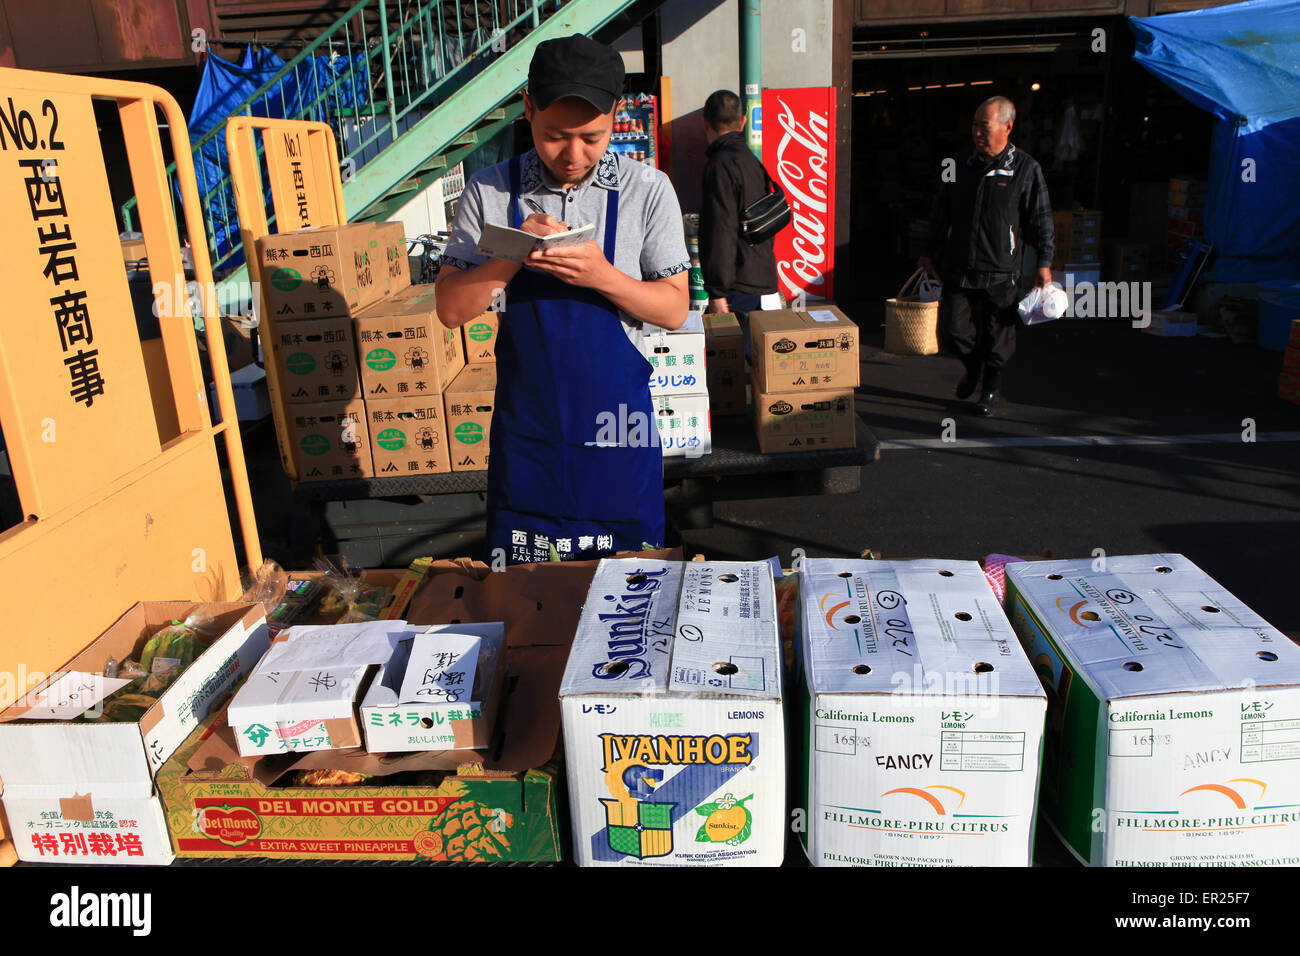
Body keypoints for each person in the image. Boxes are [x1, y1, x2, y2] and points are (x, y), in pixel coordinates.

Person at [435, 34, 690, 565]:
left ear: (616, 116)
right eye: (554, 136)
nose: (573, 155)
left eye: (592, 138)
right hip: (530, 430)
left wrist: (601, 274)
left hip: (620, 426)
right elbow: (451, 309)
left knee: (628, 585)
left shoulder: (648, 189)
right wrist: (513, 252)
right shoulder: (490, 191)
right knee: (528, 593)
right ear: (527, 108)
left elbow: (673, 308)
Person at [920, 96, 1054, 417]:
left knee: (997, 337)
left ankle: (991, 388)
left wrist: (1044, 263)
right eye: (974, 126)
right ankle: (972, 367)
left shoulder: (1025, 169)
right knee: (954, 331)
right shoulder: (956, 164)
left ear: (1007, 127)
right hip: (959, 266)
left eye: (985, 126)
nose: (977, 133)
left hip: (1001, 270)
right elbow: (941, 213)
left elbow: (1041, 219)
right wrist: (928, 252)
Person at [699, 90, 781, 327]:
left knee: (733, 361)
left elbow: (720, 230)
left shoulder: (719, 164)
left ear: (705, 123)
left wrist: (717, 292)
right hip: (763, 277)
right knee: (761, 360)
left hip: (737, 286)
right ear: (742, 122)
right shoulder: (751, 160)